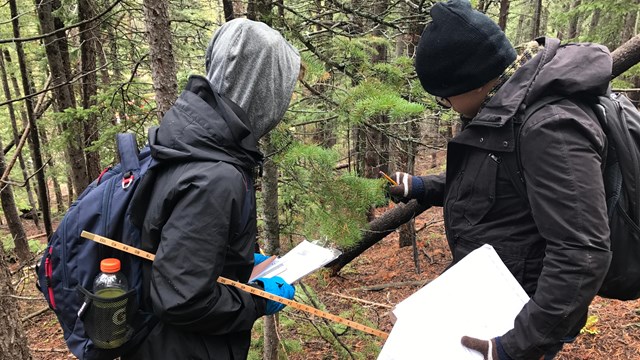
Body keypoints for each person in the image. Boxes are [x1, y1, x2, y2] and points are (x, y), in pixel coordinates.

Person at [388, 1, 612, 359]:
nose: (446, 104)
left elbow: (581, 252)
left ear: (473, 81)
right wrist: (421, 187)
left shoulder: (547, 127)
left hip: (516, 314)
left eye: (446, 96)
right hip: (487, 292)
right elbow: (491, 182)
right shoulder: (503, 109)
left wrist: (516, 346)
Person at [125, 18, 301, 359]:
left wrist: (239, 262)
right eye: (283, 89)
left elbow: (176, 249)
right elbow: (181, 299)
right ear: (263, 90)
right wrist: (258, 300)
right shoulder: (216, 176)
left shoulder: (191, 142)